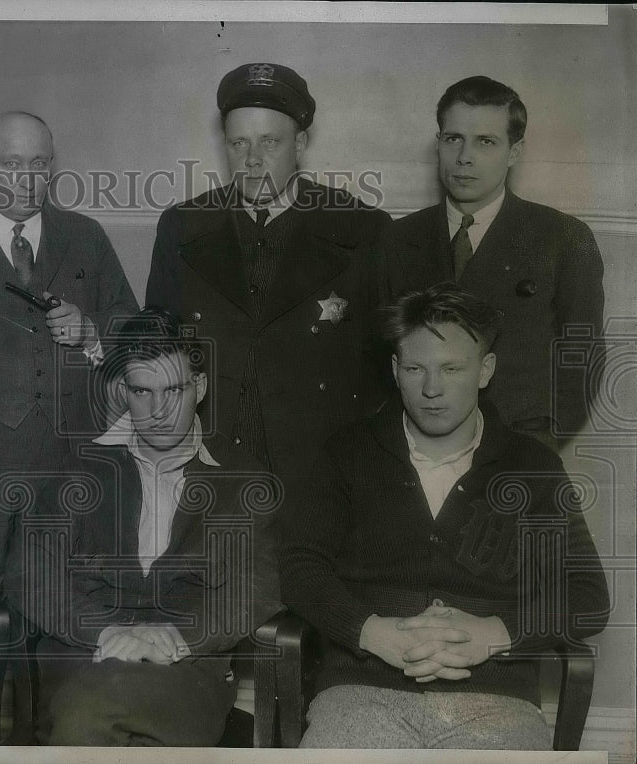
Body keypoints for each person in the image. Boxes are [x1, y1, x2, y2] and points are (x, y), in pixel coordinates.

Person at [279, 284, 609, 750]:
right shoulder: (348, 453)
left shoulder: (532, 466)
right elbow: (298, 567)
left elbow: (588, 593)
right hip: (362, 691)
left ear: (485, 370)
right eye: (415, 368)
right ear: (395, 371)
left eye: (451, 369)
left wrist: (494, 635)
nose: (431, 389)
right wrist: (371, 631)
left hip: (495, 701)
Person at [7, 308, 281, 746]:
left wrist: (177, 636)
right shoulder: (75, 468)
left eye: (173, 390)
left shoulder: (241, 479)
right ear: (123, 390)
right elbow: (31, 576)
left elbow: (257, 588)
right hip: (87, 656)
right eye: (142, 391)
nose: (158, 410)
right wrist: (106, 631)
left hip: (184, 667)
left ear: (201, 388)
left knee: (86, 717)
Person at [146, 62, 392, 503]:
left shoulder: (361, 228)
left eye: (269, 142)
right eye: (239, 143)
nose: (253, 159)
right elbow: (156, 351)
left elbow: (385, 366)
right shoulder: (182, 226)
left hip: (321, 473)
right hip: (207, 466)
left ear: (300, 143)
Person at [0, 111, 138, 591]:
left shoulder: (85, 235)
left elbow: (133, 324)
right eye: (11, 164)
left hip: (72, 457)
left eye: (40, 165)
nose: (27, 181)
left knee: (63, 592)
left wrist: (91, 330)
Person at [378, 76, 605, 447]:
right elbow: (376, 361)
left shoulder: (564, 238)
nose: (465, 157)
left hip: (519, 452)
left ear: (515, 151)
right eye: (454, 139)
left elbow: (582, 363)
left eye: (486, 141)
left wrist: (540, 452)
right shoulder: (397, 239)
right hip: (415, 456)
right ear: (438, 144)